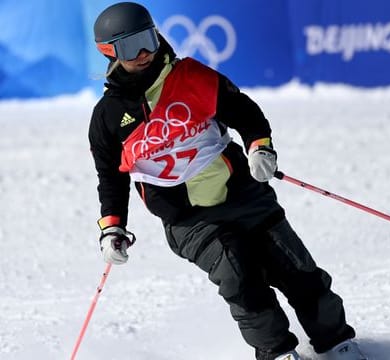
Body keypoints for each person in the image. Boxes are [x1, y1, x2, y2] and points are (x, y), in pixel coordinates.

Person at [89, 2, 366, 360]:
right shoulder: (108, 117)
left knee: (295, 268)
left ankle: (337, 342)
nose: (143, 53)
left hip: (244, 195)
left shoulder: (192, 78)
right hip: (189, 219)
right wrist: (112, 227)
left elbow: (245, 112)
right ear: (109, 52)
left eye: (147, 40)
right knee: (241, 280)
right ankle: (277, 352)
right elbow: (110, 177)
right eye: (130, 47)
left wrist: (259, 148)